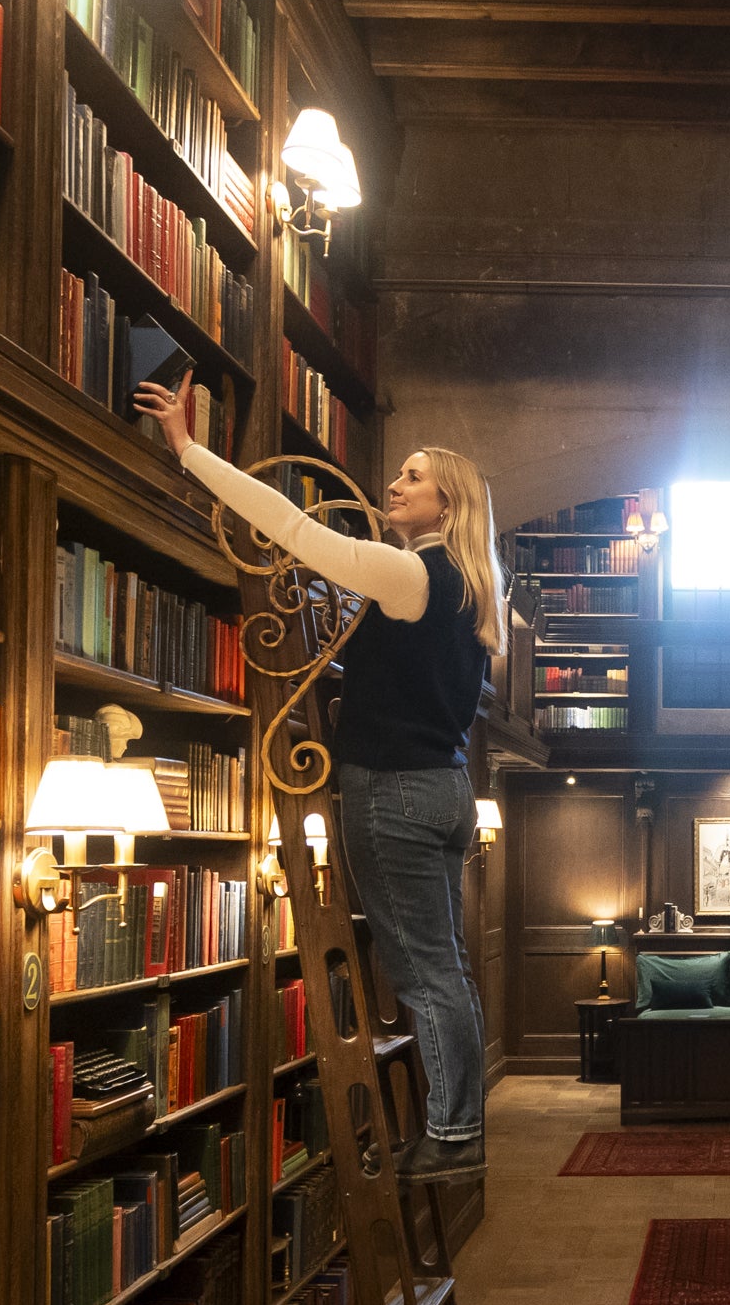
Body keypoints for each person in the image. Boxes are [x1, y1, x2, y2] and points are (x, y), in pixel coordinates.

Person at [136, 383, 500, 1184]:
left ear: (448, 506)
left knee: (424, 975)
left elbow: (293, 529)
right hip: (443, 788)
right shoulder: (475, 593)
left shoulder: (413, 575)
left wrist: (191, 451)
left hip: (396, 792)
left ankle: (452, 1134)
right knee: (448, 971)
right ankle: (459, 1125)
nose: (393, 487)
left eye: (412, 478)